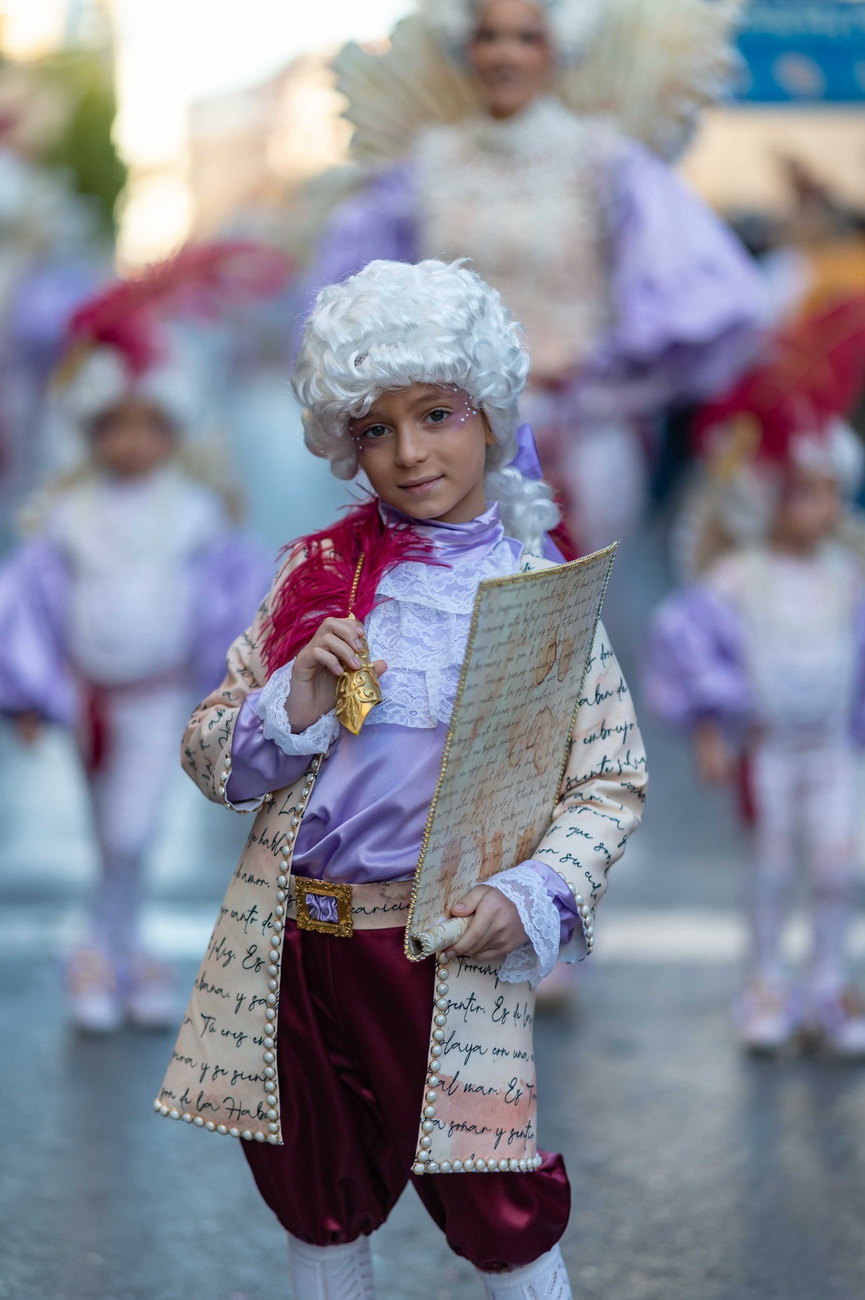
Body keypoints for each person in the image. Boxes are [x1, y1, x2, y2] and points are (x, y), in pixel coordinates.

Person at [162, 259, 647, 1297]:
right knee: (316, 1194)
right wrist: (289, 702)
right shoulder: (315, 579)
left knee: (495, 1201)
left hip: (444, 951)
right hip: (299, 948)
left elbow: (608, 779)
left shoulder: (537, 594)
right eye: (375, 429)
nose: (410, 452)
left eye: (436, 414)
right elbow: (209, 752)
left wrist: (534, 890)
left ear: (490, 413)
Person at [298, 0, 765, 551]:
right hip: (451, 439)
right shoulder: (422, 171)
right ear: (466, 48)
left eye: (525, 38)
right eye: (490, 37)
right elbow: (354, 306)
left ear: (556, 48)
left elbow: (691, 296)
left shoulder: (606, 161)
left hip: (584, 437)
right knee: (456, 588)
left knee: (580, 590)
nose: (506, 55)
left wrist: (612, 390)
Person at [0, 247, 277, 1032]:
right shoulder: (67, 514)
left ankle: (99, 940)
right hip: (91, 697)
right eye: (112, 425)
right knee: (108, 830)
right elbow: (28, 608)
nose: (131, 442)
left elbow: (233, 600)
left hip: (160, 699)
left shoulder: (193, 512)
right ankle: (120, 943)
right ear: (87, 430)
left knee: (132, 828)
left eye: (149, 424)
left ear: (175, 428)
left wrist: (233, 684)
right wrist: (28, 693)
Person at [646, 298, 865, 1057]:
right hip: (771, 751)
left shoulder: (849, 575)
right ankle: (767, 980)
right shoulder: (740, 578)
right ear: (762, 494)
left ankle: (829, 980)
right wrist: (712, 730)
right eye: (797, 489)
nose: (814, 506)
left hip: (833, 752)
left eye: (824, 490)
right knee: (771, 870)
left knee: (838, 867)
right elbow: (694, 649)